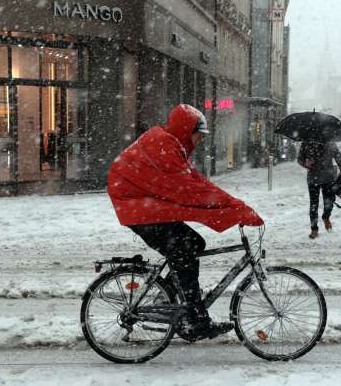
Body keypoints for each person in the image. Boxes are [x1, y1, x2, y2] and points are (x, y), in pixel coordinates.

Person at [107, 104, 263, 341]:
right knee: (183, 249)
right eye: (198, 134)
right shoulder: (164, 146)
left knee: (192, 243)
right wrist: (235, 209)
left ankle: (171, 297)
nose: (200, 140)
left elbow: (196, 182)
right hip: (138, 207)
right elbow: (190, 191)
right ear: (186, 129)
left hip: (143, 206)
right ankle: (195, 319)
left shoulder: (172, 145)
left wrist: (233, 205)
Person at [297, 140, 341, 239]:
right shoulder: (307, 142)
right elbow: (300, 159)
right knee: (314, 204)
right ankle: (314, 229)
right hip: (313, 178)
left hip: (328, 177)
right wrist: (306, 163)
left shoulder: (329, 141)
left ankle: (326, 217)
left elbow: (337, 155)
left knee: (329, 201)